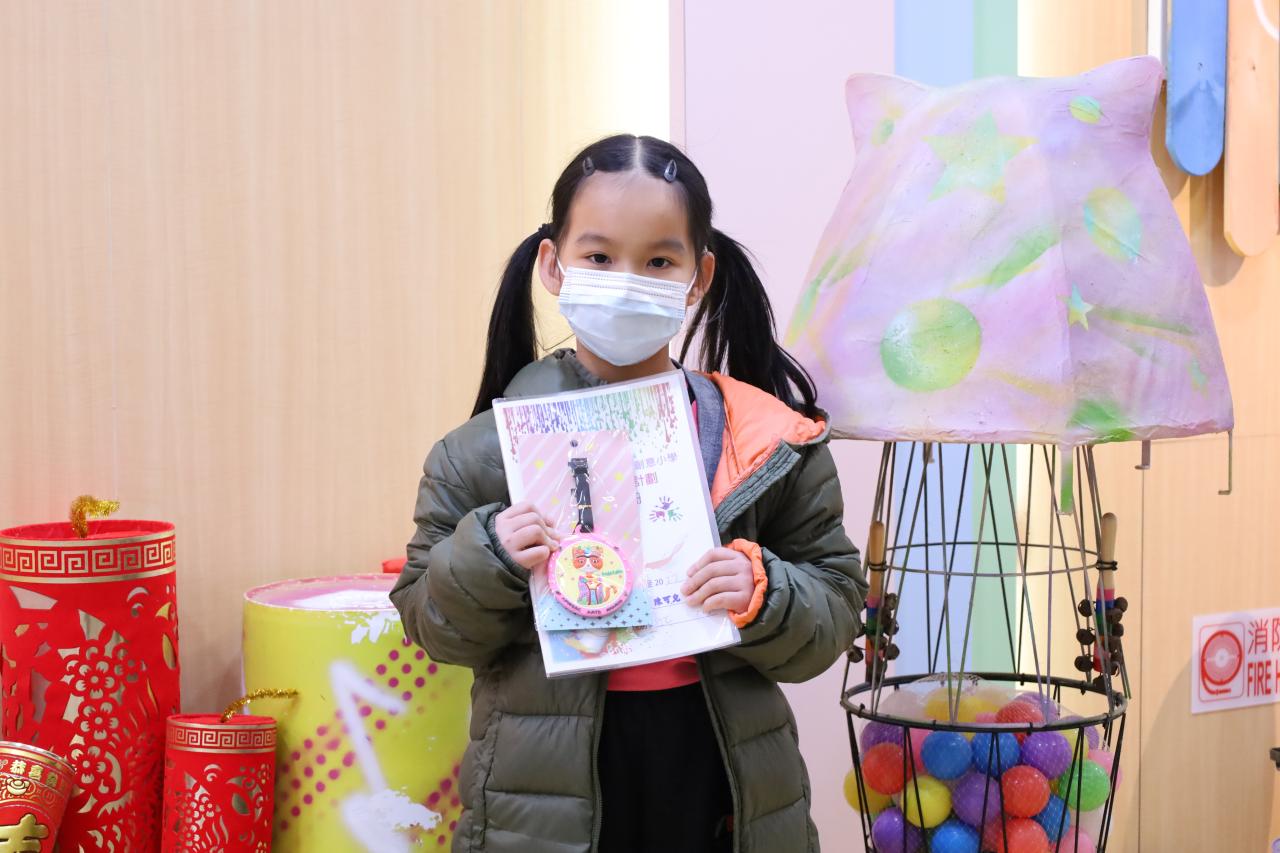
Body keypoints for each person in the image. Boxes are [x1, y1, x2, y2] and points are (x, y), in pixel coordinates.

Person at [390, 133, 866, 853]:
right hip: (546, 790)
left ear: (699, 275)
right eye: (599, 257)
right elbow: (432, 626)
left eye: (659, 261)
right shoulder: (483, 453)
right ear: (552, 264)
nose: (627, 280)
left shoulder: (765, 442)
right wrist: (489, 554)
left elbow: (834, 608)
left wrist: (764, 592)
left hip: (719, 773)